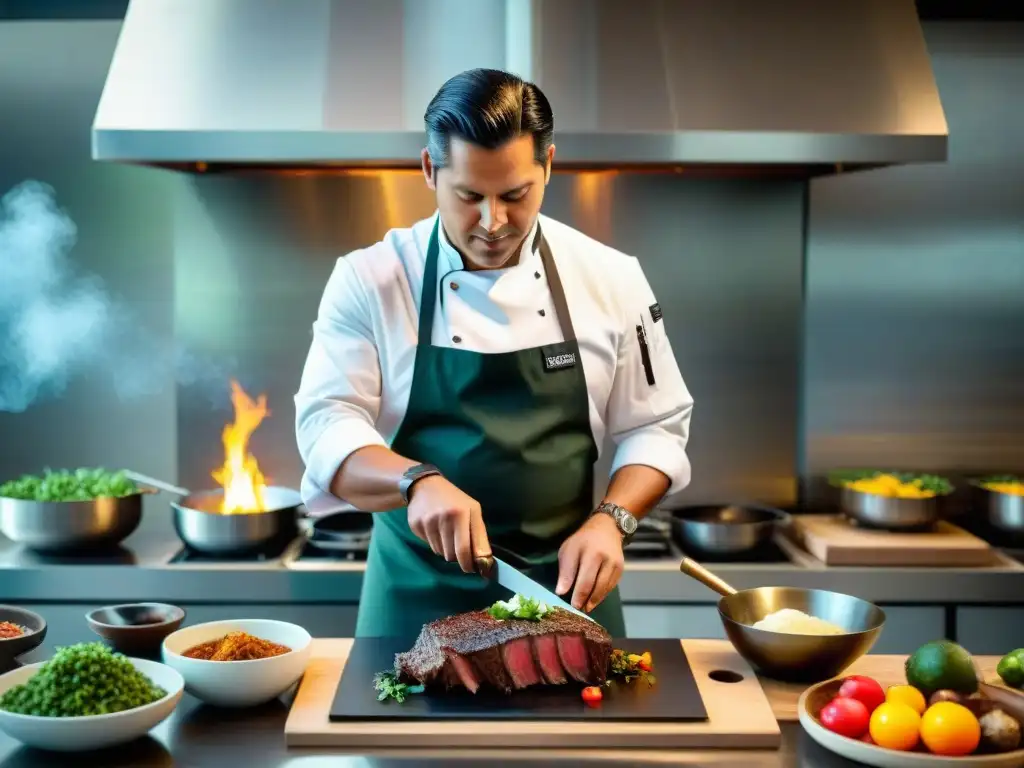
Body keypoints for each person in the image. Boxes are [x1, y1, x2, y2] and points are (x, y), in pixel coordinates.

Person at [295, 68, 694, 638]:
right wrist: (416, 481)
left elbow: (657, 426)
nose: (492, 223)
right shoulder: (372, 279)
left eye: (514, 195)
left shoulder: (611, 277)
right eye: (468, 196)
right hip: (415, 598)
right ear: (430, 170)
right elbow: (325, 425)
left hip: (567, 597)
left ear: (549, 165)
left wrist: (613, 520)